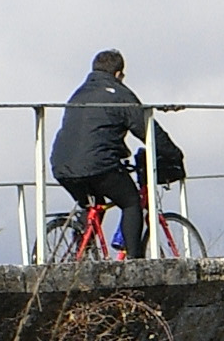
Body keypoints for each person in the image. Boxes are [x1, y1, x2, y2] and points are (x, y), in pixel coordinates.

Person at [50, 49, 155, 257]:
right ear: (118, 74)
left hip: (61, 166)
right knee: (131, 201)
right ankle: (135, 262)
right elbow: (148, 130)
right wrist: (173, 155)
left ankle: (81, 254)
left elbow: (90, 134)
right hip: (98, 164)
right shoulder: (120, 94)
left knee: (92, 203)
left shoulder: (78, 94)